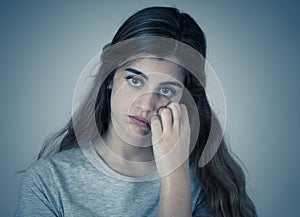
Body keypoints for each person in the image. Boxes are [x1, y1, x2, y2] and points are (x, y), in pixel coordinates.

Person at [15, 6, 257, 217]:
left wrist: (175, 174)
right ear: (109, 77)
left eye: (166, 90)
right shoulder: (48, 181)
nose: (146, 105)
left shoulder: (206, 186)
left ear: (185, 100)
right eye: (134, 80)